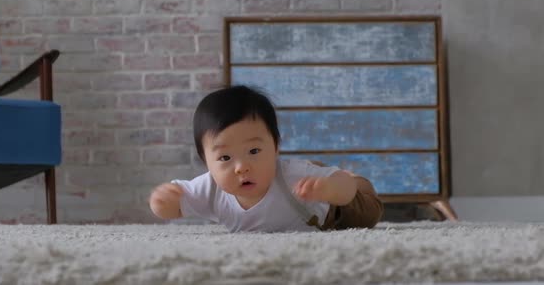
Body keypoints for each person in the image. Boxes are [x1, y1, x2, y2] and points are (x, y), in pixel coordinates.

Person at [149, 85, 384, 232]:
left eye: (254, 151)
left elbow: (344, 191)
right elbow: (173, 209)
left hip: (328, 207)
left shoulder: (295, 176)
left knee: (367, 213)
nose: (242, 167)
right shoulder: (208, 188)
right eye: (225, 157)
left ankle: (357, 178)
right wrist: (162, 203)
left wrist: (331, 188)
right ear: (206, 162)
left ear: (276, 147)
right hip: (314, 185)